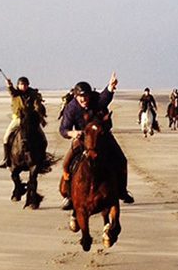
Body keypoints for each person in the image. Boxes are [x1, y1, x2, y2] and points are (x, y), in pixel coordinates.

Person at [57, 73, 135, 209]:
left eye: (86, 96)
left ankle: (122, 191)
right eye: (81, 97)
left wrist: (111, 86)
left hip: (102, 136)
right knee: (67, 163)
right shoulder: (71, 108)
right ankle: (69, 195)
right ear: (76, 96)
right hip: (82, 139)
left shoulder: (95, 99)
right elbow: (63, 129)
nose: (84, 99)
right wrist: (73, 133)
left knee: (122, 160)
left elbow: (104, 98)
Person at [0, 76, 46, 169]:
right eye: (21, 84)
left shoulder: (33, 94)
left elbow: (37, 105)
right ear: (18, 85)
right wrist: (9, 85)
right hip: (18, 119)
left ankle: (42, 159)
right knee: (6, 137)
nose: (23, 86)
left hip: (30, 120)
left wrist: (38, 114)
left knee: (43, 138)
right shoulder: (15, 94)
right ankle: (6, 159)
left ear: (28, 85)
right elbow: (11, 91)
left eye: (25, 84)